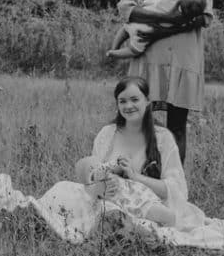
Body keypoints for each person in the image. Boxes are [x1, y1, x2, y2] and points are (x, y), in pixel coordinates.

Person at [117, 0, 213, 162]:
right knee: (141, 121)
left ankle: (174, 185)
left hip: (183, 59)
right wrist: (165, 16)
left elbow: (204, 16)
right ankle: (144, 177)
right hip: (149, 58)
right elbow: (128, 9)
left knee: (177, 127)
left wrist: (159, 31)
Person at [73, 76, 205, 228]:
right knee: (65, 189)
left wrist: (135, 176)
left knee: (140, 223)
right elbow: (91, 176)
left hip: (149, 208)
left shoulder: (163, 138)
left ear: (148, 101)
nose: (128, 106)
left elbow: (174, 191)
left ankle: (132, 227)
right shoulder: (106, 134)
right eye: (122, 101)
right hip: (110, 203)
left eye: (135, 99)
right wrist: (99, 189)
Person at [107, 0, 207, 61]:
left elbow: (159, 0)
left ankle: (114, 47)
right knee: (134, 51)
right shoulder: (184, 20)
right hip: (144, 31)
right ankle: (114, 54)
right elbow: (170, 27)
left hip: (138, 19)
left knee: (124, 30)